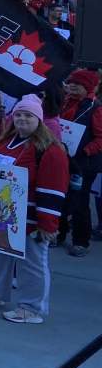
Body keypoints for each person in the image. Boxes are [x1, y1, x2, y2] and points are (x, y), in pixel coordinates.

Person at [0, 95, 69, 324]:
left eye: (28, 115)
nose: (22, 118)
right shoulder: (5, 141)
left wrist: (48, 223)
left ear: (39, 120)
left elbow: (54, 189)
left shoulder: (50, 150)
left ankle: (31, 308)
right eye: (19, 114)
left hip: (31, 218)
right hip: (2, 214)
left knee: (32, 261)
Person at [59, 68, 102, 257]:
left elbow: (101, 138)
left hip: (84, 163)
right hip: (63, 158)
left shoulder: (95, 108)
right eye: (71, 82)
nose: (73, 86)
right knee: (59, 195)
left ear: (89, 87)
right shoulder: (63, 102)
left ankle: (81, 241)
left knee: (80, 200)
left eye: (79, 84)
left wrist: (85, 151)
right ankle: (57, 234)